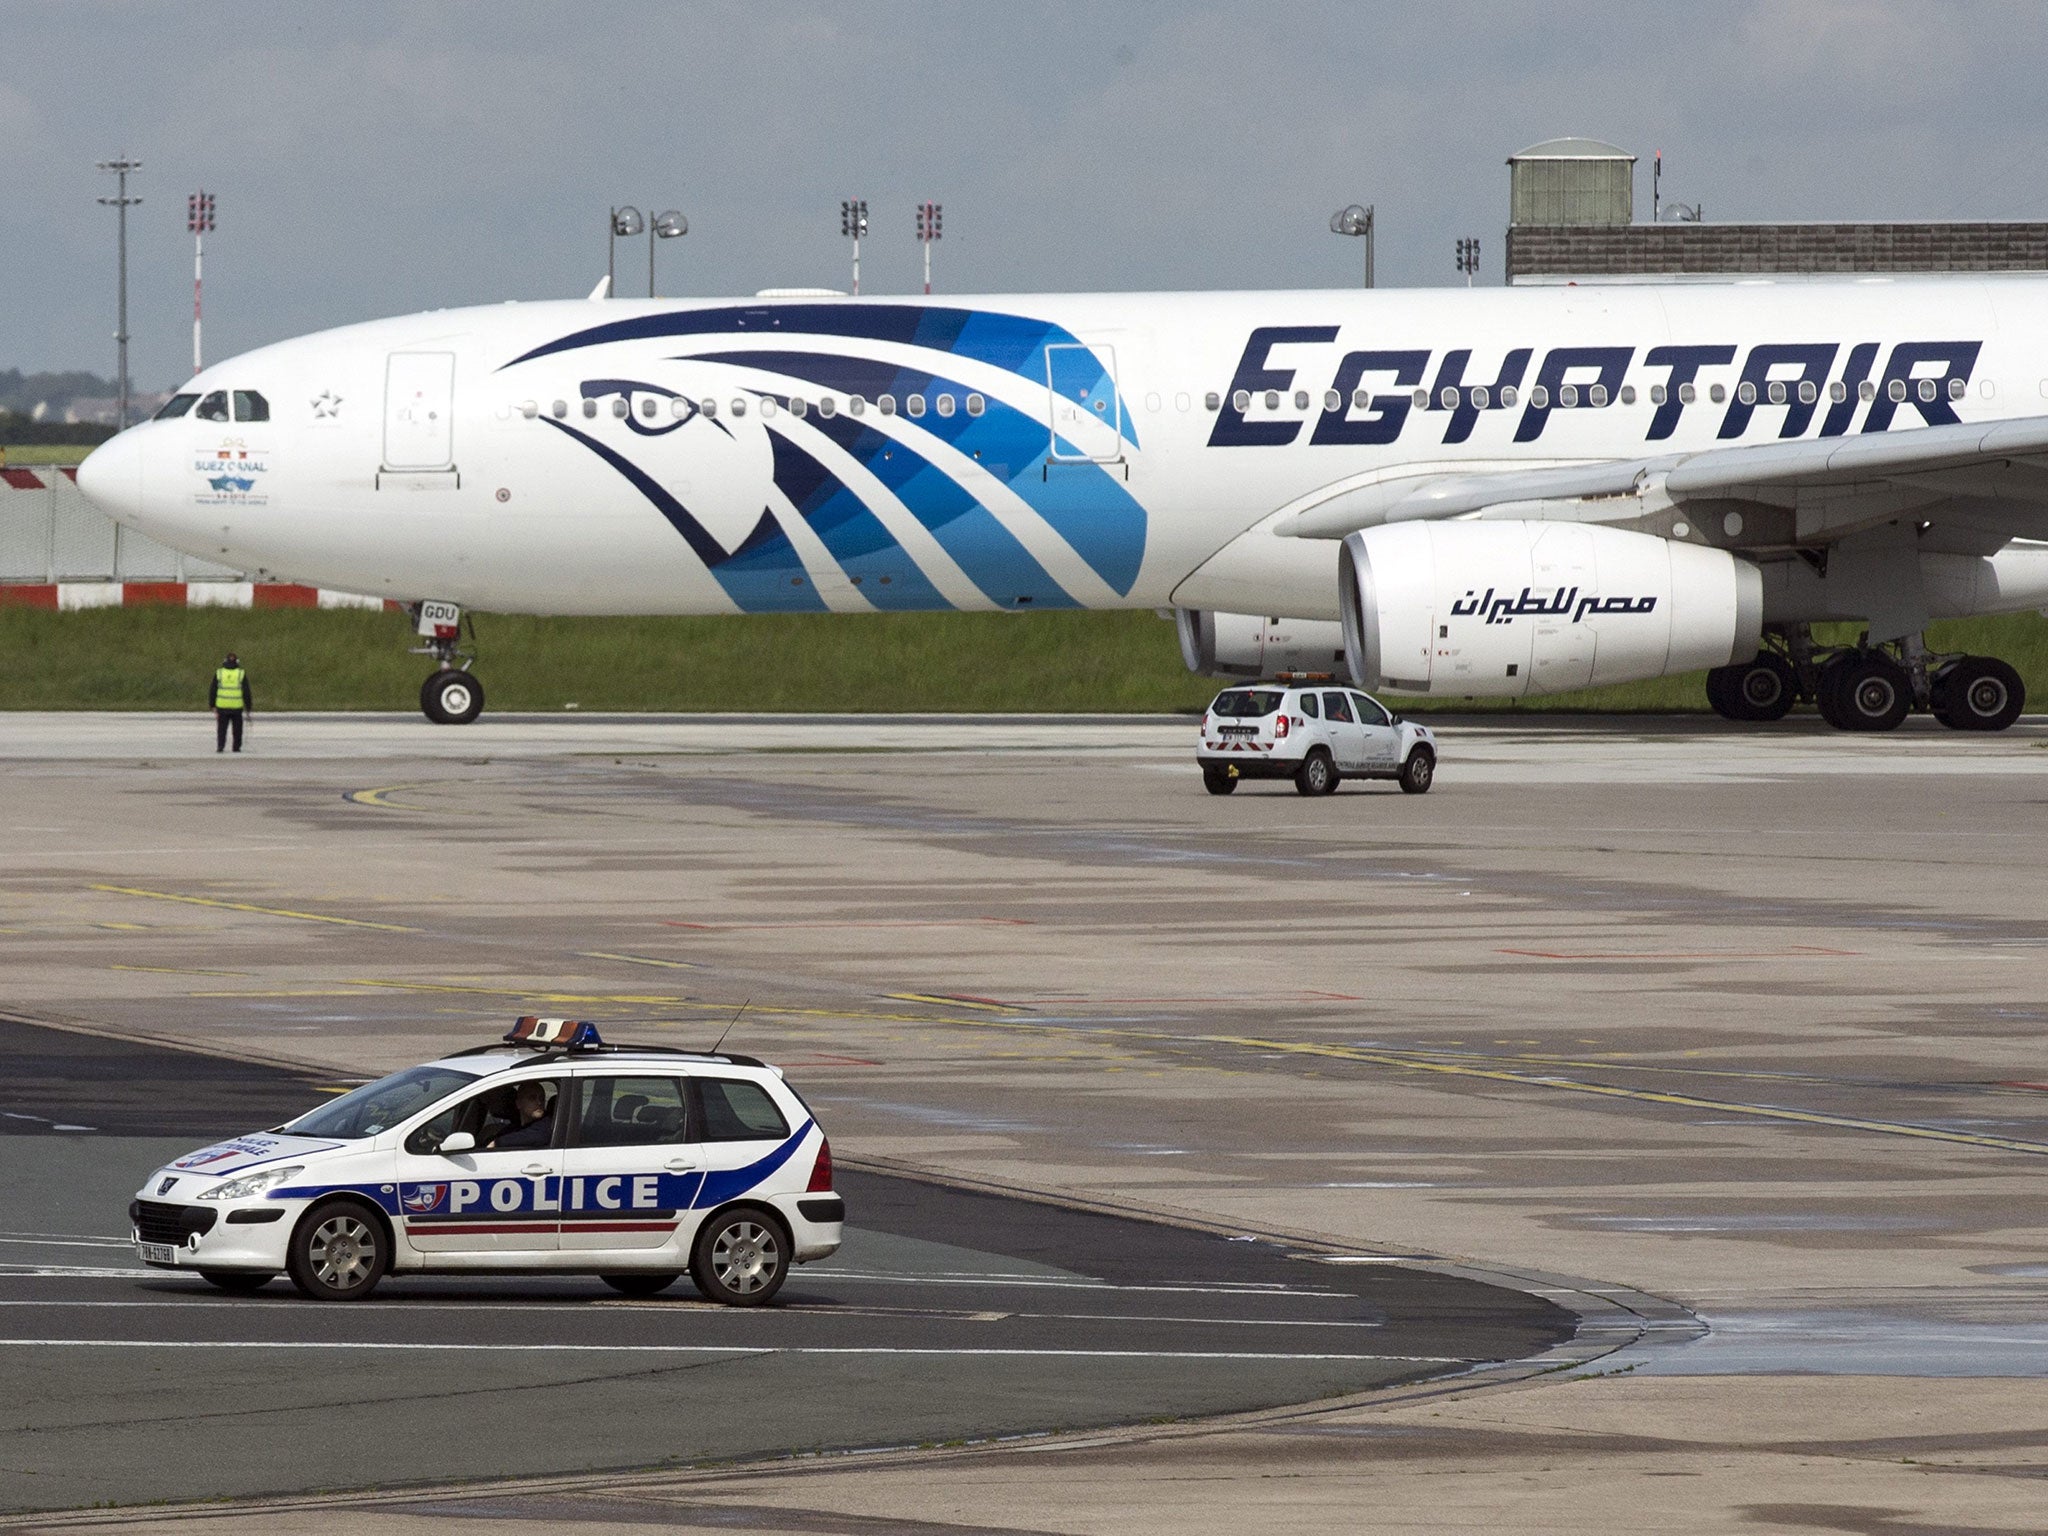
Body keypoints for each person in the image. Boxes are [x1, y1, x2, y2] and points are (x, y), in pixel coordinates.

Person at [488, 1082, 554, 1149]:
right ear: (518, 1104)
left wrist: (498, 1142)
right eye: (532, 1098)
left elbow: (538, 1136)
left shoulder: (548, 1124)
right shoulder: (512, 1128)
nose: (539, 1102)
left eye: (542, 1098)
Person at [211, 652, 251, 753]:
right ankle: (236, 748)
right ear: (237, 662)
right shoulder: (240, 674)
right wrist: (248, 706)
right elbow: (246, 691)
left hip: (222, 706)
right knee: (237, 730)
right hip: (236, 707)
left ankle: (220, 746)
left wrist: (212, 705)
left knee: (221, 729)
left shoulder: (219, 673)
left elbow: (213, 690)